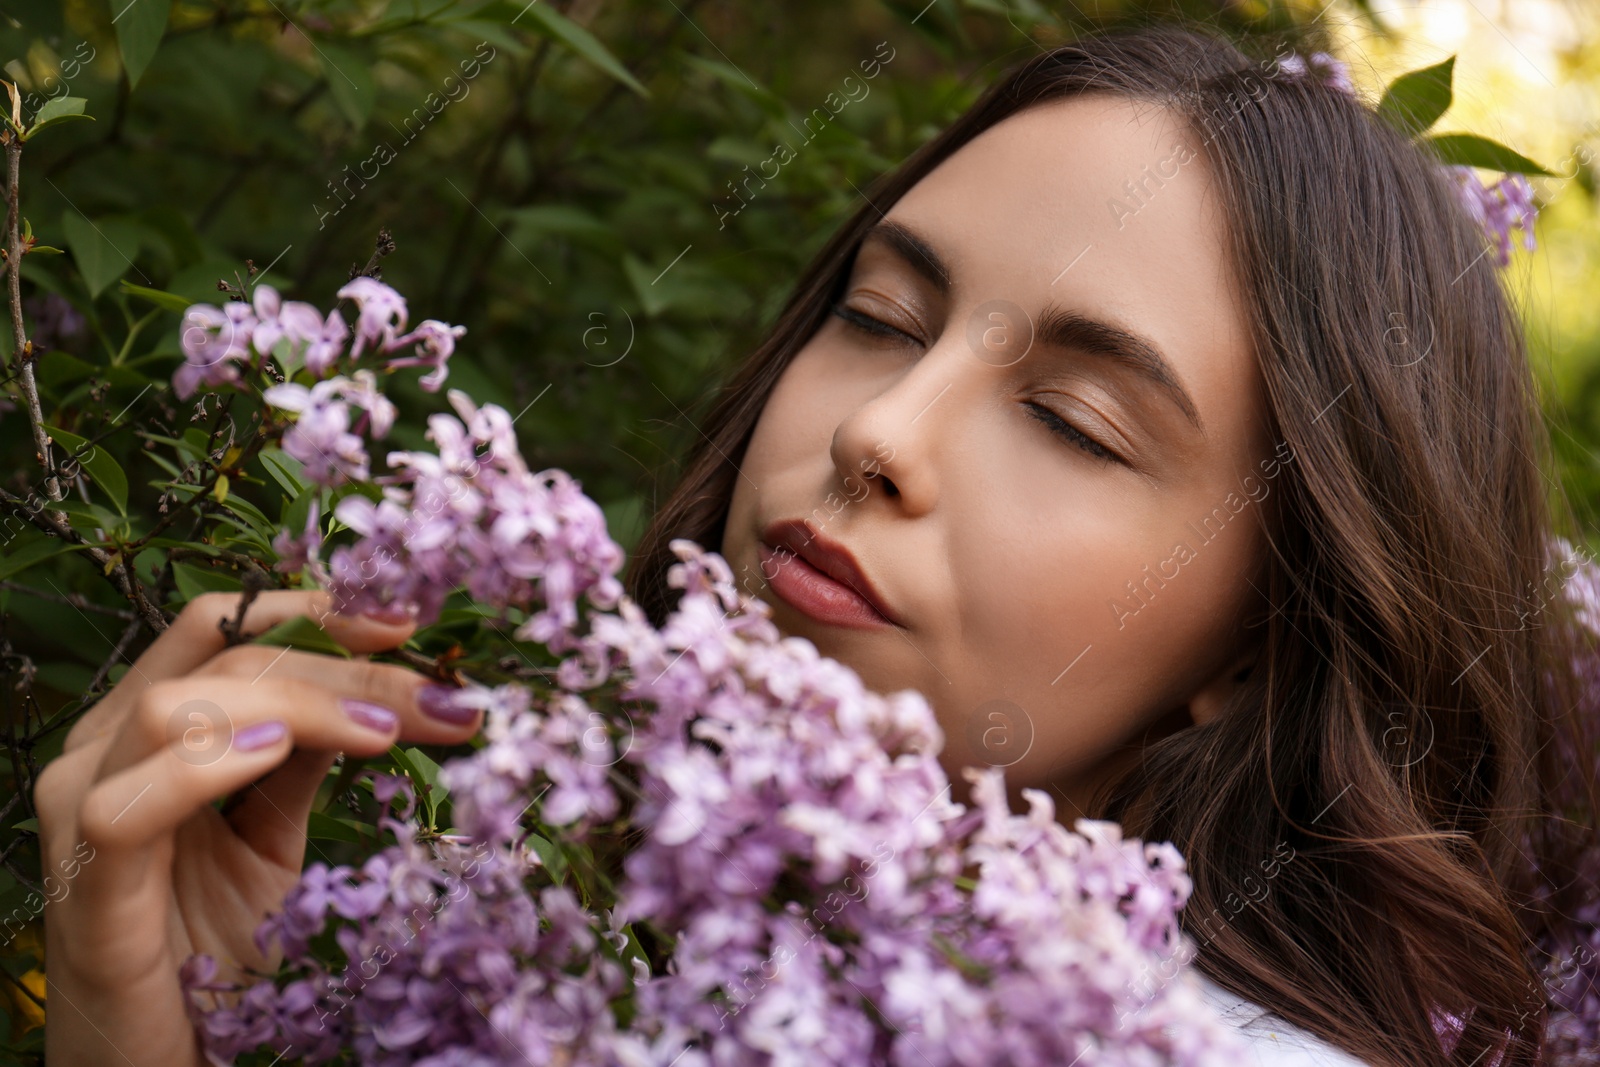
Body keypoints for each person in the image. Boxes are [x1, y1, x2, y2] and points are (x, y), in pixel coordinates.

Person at [36, 22, 1596, 1067]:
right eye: (877, 316)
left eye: (1074, 418)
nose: (880, 433)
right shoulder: (536, 949)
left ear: (1259, 646)